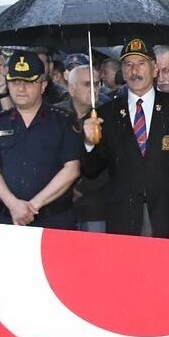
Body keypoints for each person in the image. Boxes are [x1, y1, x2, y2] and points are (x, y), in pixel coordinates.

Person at [82, 39, 169, 239]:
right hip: (123, 218)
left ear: (155, 69)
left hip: (168, 215)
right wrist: (89, 143)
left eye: (141, 63)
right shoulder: (107, 113)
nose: (134, 70)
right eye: (128, 65)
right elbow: (91, 170)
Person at [0, 51, 81, 229]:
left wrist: (32, 207)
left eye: (29, 82)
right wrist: (13, 205)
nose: (21, 88)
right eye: (14, 82)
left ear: (43, 85)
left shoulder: (64, 121)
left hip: (55, 221)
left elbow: (72, 169)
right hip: (9, 219)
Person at [62, 63, 109, 233]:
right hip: (58, 203)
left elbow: (111, 161)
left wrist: (80, 188)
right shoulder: (56, 115)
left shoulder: (108, 115)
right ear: (71, 88)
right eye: (87, 84)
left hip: (95, 206)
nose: (93, 89)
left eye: (96, 84)